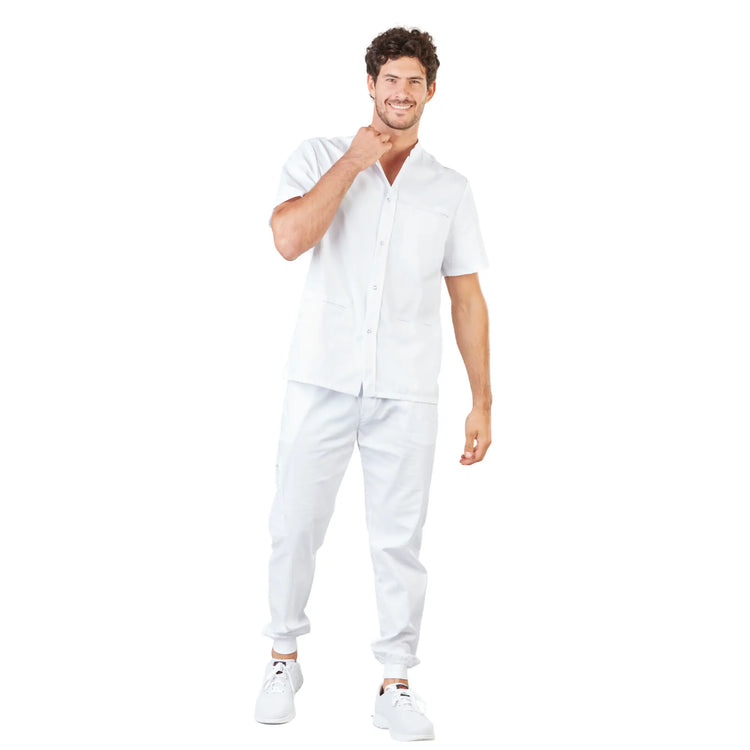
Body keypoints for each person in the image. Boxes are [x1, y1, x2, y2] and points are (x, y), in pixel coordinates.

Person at [254, 26, 492, 742]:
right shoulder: (319, 156)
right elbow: (288, 239)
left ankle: (396, 682)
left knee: (399, 542)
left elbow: (467, 298)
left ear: (431, 91)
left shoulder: (449, 189)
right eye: (391, 79)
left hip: (406, 389)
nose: (401, 92)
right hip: (320, 378)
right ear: (370, 83)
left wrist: (483, 400)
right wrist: (355, 161)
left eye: (415, 81)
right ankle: (282, 658)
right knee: (294, 524)